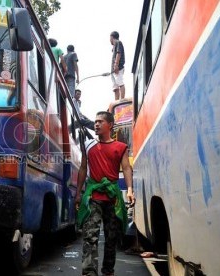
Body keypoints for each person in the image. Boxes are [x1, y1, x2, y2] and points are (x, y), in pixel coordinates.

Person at [75, 111, 135, 276]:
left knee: (111, 238)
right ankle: (89, 272)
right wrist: (78, 193)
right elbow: (82, 168)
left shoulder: (121, 147)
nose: (96, 124)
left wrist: (130, 190)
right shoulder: (88, 145)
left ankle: (108, 271)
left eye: (100, 122)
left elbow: (127, 168)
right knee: (89, 237)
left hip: (113, 197)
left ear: (110, 125)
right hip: (93, 196)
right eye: (95, 122)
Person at [110, 31, 125, 100]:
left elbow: (118, 53)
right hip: (113, 70)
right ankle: (116, 102)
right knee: (115, 88)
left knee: (120, 83)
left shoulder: (118, 42)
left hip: (118, 68)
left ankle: (122, 100)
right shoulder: (114, 46)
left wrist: (116, 65)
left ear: (112, 37)